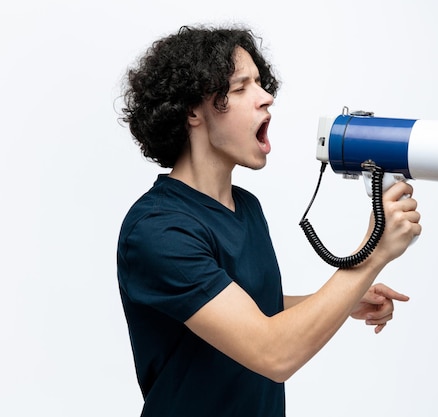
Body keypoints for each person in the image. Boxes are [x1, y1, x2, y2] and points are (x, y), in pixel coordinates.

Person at [117, 24, 421, 417]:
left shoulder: (245, 206)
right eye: (241, 88)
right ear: (193, 110)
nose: (267, 98)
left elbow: (248, 309)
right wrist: (372, 256)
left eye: (260, 84)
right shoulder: (157, 229)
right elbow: (272, 351)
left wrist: (342, 300)